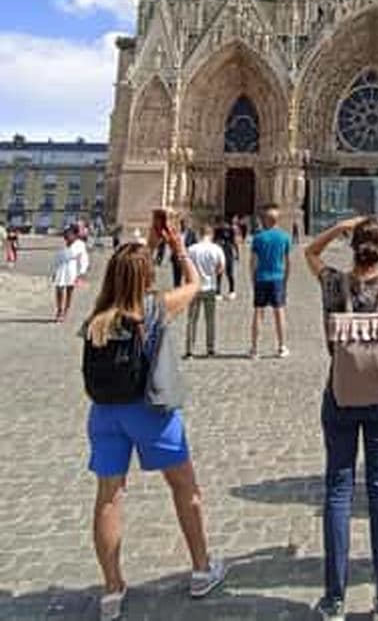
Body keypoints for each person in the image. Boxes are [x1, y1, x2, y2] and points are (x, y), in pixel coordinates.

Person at [82, 223, 225, 620]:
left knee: (108, 497)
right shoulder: (155, 308)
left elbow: (126, 273)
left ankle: (112, 590)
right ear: (147, 275)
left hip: (104, 413)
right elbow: (195, 283)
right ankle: (201, 569)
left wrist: (147, 241)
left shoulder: (98, 316)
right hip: (150, 412)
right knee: (185, 487)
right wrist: (177, 247)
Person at [305, 215, 378, 621]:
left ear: (353, 247)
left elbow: (310, 252)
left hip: (341, 391)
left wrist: (340, 226)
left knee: (338, 490)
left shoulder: (334, 283)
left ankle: (334, 600)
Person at [250, 206, 292, 358]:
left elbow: (253, 262)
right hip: (277, 278)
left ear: (266, 220)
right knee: (279, 312)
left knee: (258, 312)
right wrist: (285, 279)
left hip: (261, 278)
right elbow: (288, 261)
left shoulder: (258, 238)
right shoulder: (285, 237)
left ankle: (255, 349)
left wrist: (253, 279)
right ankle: (282, 346)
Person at [185, 225, 225, 358]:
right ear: (211, 234)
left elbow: (186, 267)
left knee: (192, 320)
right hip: (210, 287)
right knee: (210, 320)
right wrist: (211, 274)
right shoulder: (216, 249)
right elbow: (221, 267)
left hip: (194, 287)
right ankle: (210, 348)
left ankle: (190, 350)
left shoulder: (191, 249)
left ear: (199, 234)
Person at [51, 223, 90, 322]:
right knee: (59, 289)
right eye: (66, 233)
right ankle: (59, 309)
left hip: (71, 268)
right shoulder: (63, 244)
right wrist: (54, 271)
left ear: (74, 234)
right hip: (61, 268)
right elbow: (57, 258)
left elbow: (84, 259)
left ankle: (66, 311)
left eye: (69, 233)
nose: (67, 235)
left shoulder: (80, 245)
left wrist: (82, 272)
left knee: (69, 291)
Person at [213, 218, 238, 299]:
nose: (224, 225)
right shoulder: (217, 230)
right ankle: (218, 292)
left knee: (229, 273)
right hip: (219, 253)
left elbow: (234, 242)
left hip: (228, 253)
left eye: (225, 223)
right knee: (219, 274)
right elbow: (214, 241)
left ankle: (232, 290)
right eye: (222, 223)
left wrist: (237, 253)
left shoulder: (231, 231)